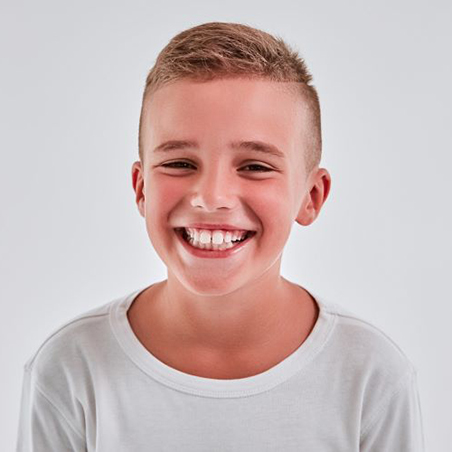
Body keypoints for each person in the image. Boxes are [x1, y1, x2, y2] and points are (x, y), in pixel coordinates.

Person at [16, 21, 425, 451]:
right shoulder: (70, 368)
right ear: (141, 188)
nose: (211, 198)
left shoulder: (371, 375)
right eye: (179, 164)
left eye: (254, 166)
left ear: (311, 196)